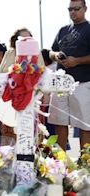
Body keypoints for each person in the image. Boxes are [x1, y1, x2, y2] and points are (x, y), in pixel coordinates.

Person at [48, 0, 90, 151]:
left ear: (85, 8)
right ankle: (61, 163)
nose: (73, 12)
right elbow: (51, 51)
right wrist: (56, 55)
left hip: (82, 83)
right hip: (60, 84)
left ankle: (85, 162)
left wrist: (76, 61)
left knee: (84, 123)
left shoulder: (89, 29)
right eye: (70, 9)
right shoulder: (63, 30)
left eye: (76, 9)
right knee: (59, 122)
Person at [0, 27, 45, 139]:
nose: (26, 41)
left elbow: (42, 73)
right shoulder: (10, 53)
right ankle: (8, 154)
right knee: (8, 132)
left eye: (28, 38)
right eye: (23, 38)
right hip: (10, 99)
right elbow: (0, 74)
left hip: (31, 98)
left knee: (32, 132)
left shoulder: (36, 53)